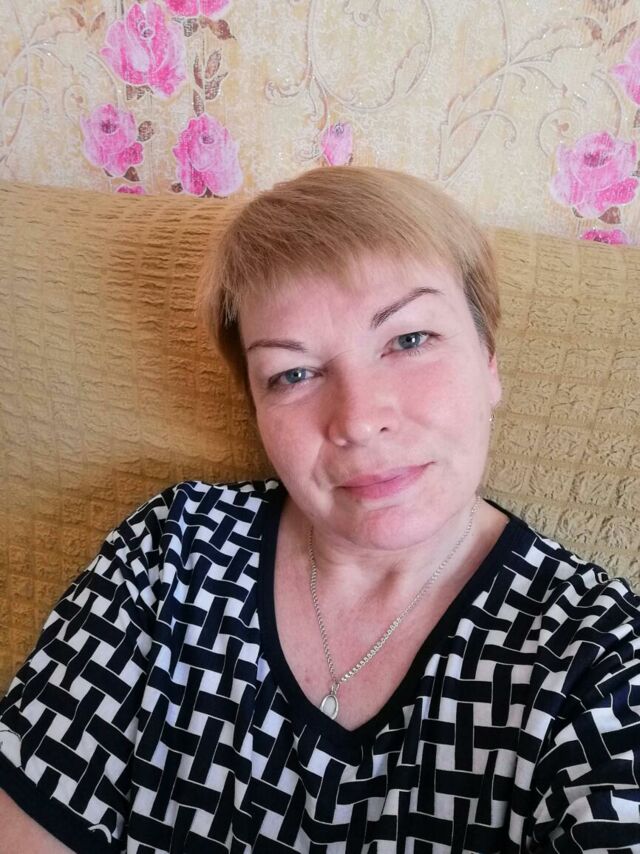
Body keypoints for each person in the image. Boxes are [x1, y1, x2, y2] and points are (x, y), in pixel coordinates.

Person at [1, 166, 639, 854]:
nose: (358, 420)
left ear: (489, 360)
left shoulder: (601, 661)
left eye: (409, 340)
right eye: (294, 374)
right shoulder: (170, 554)